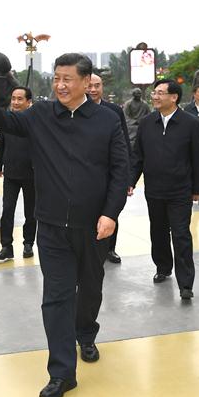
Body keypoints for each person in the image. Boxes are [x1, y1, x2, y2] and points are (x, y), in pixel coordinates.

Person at [0, 53, 128, 397]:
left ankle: (86, 331)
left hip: (93, 226)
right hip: (51, 226)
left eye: (68, 78)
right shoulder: (39, 116)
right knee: (55, 298)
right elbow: (6, 121)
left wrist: (111, 213)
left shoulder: (107, 120)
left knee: (91, 289)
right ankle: (62, 373)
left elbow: (120, 171)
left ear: (86, 81)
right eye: (56, 78)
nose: (61, 85)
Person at [130, 80, 199, 300]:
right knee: (158, 232)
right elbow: (138, 156)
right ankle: (163, 267)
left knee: (181, 235)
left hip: (180, 190)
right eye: (154, 93)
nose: (155, 97)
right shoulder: (146, 123)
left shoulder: (190, 124)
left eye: (160, 93)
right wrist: (130, 180)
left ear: (174, 97)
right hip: (154, 190)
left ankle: (186, 283)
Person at [87, 73, 131, 264]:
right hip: (87, 171)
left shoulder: (113, 111)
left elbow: (124, 143)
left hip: (109, 171)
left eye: (97, 86)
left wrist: (128, 178)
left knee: (111, 210)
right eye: (90, 86)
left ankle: (109, 249)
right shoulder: (75, 109)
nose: (93, 90)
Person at [0, 86, 36, 261]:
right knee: (7, 210)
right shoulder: (7, 120)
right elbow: (2, 143)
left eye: (20, 99)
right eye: (13, 98)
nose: (15, 102)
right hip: (10, 173)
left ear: (28, 102)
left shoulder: (35, 121)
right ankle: (6, 246)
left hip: (31, 174)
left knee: (31, 212)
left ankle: (28, 243)